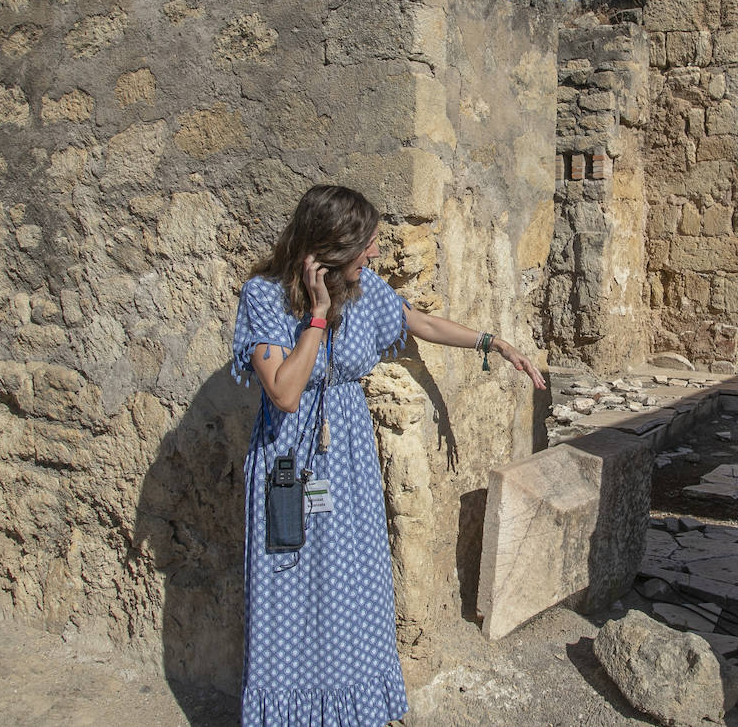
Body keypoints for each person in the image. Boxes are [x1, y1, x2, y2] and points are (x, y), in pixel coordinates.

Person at [230, 184, 544, 725]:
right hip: (290, 464)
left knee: (350, 595)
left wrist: (494, 344)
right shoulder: (263, 296)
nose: (375, 254)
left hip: (347, 464)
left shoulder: (365, 290)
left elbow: (419, 322)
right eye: (366, 245)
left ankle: (350, 713)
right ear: (330, 247)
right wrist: (319, 317)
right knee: (289, 596)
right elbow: (284, 391)